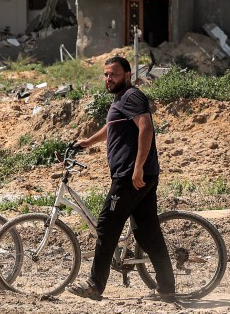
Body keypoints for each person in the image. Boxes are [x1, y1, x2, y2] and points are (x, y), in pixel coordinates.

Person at [67, 56, 176, 302]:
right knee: (147, 233)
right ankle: (168, 287)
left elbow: (146, 126)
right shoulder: (120, 100)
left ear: (127, 75)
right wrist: (88, 142)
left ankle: (95, 286)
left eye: (114, 74)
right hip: (140, 175)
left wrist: (137, 168)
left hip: (130, 176)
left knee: (106, 225)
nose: (108, 78)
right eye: (106, 74)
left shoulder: (131, 96)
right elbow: (112, 128)